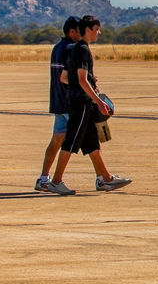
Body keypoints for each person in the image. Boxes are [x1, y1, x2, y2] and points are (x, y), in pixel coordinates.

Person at [46, 15, 132, 195]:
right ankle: (55, 181)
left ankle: (106, 179)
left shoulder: (75, 48)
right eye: (96, 29)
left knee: (92, 140)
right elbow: (82, 80)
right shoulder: (83, 50)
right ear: (88, 30)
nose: (98, 33)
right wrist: (99, 101)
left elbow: (64, 77)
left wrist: (88, 83)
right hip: (81, 103)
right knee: (71, 142)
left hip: (78, 100)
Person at [36, 16, 80, 193]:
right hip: (69, 102)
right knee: (87, 141)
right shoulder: (71, 48)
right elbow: (67, 77)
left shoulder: (57, 47)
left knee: (57, 140)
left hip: (58, 101)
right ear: (72, 32)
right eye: (80, 30)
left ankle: (44, 178)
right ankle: (103, 178)